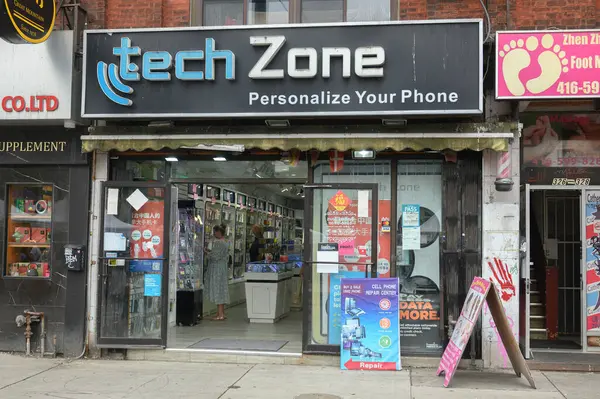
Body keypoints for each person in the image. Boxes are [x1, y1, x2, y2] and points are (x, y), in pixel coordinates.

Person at [205, 224, 230, 321]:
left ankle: (220, 314)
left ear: (218, 232)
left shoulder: (219, 243)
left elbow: (214, 256)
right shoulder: (225, 242)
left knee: (218, 289)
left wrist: (207, 252)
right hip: (222, 268)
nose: (214, 234)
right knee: (221, 289)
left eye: (215, 232)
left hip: (217, 270)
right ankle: (221, 312)